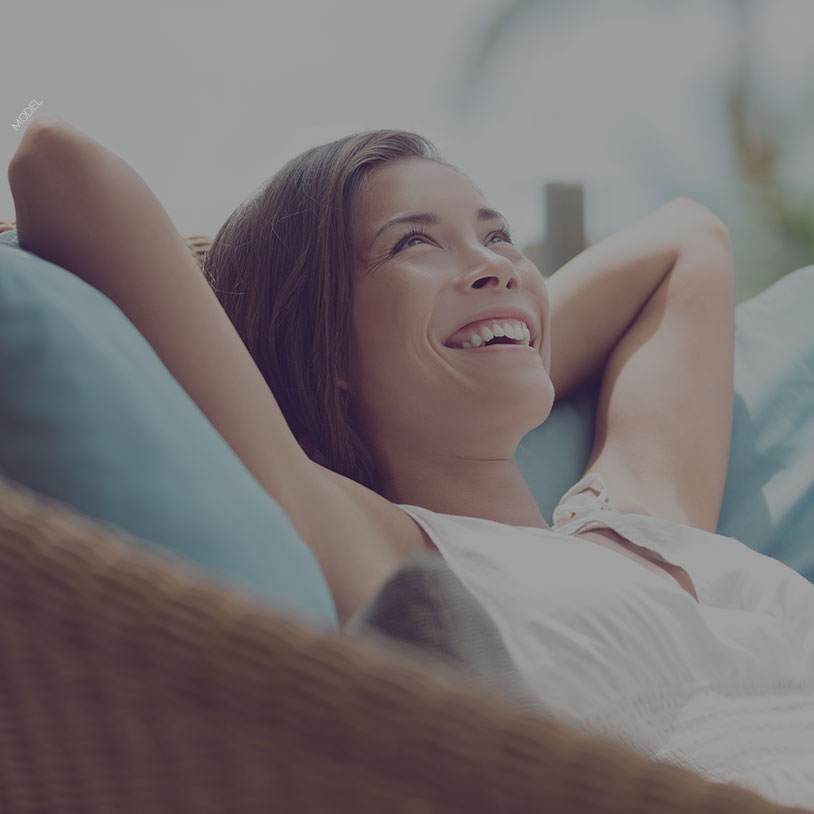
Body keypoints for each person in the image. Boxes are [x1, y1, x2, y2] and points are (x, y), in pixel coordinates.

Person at [8, 119, 814, 808]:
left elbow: (688, 238)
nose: (496, 262)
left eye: (499, 236)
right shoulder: (390, 550)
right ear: (325, 344)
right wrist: (438, 347)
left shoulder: (635, 515)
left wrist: (499, 332)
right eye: (412, 242)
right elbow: (56, 165)